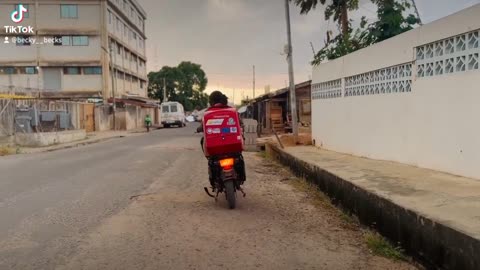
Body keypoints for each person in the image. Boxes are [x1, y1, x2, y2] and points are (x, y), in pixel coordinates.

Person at [197, 91, 246, 188]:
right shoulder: (232, 110)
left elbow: (202, 127)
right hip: (233, 147)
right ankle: (240, 176)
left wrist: (198, 129)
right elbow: (240, 123)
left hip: (215, 149)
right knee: (239, 154)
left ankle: (210, 160)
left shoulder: (208, 112)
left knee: (203, 141)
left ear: (211, 101)